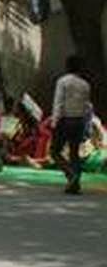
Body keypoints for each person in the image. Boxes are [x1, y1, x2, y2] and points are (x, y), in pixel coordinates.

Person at [51, 55, 92, 194]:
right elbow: (87, 107)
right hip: (79, 121)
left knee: (55, 151)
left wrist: (54, 121)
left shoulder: (63, 81)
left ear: (67, 67)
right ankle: (75, 183)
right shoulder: (85, 84)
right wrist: (87, 125)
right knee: (74, 152)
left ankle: (70, 174)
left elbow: (58, 102)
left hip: (65, 120)